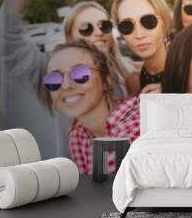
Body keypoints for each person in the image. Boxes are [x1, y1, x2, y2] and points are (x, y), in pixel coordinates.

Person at [0, 0, 134, 98]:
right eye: (86, 28)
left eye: (104, 26)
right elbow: (4, 34)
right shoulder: (53, 71)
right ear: (70, 37)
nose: (98, 32)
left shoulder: (126, 73)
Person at [40, 40, 140, 175]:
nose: (65, 86)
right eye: (54, 79)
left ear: (106, 80)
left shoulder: (138, 121)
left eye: (80, 74)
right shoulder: (77, 135)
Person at [111, 0, 172, 95]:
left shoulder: (190, 70)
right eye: (127, 26)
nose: (139, 35)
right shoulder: (133, 82)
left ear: (164, 22)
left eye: (148, 21)